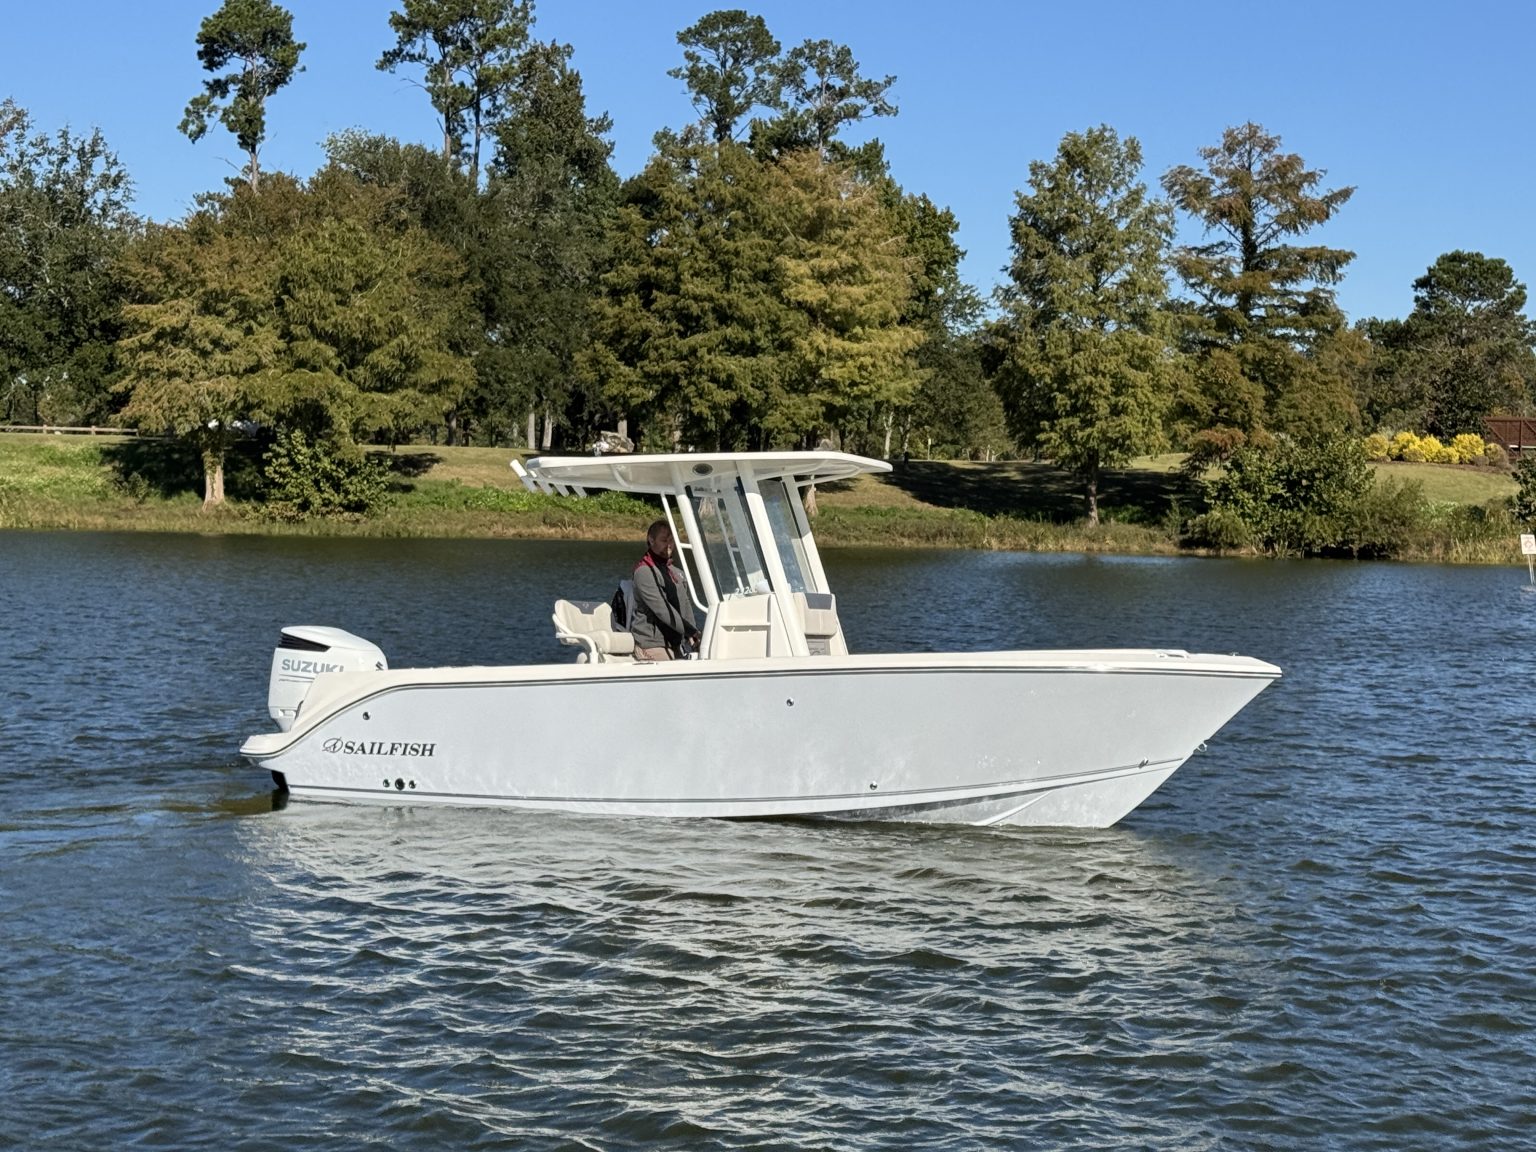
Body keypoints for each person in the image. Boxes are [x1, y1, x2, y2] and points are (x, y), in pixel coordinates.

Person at [630, 519, 700, 661]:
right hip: (651, 644)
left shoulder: (677, 573)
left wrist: (693, 636)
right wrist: (691, 631)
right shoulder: (644, 572)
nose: (669, 545)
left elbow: (685, 606)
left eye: (671, 540)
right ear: (651, 540)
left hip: (675, 645)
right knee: (677, 670)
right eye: (663, 540)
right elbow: (662, 610)